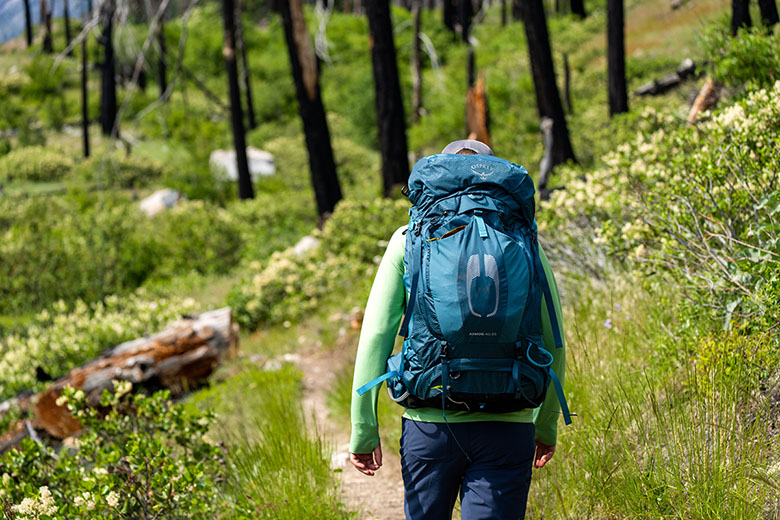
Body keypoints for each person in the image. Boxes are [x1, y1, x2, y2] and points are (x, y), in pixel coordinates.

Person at [349, 140, 566, 520]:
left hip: (430, 424)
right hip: (509, 421)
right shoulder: (524, 240)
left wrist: (363, 430)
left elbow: (375, 336)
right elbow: (554, 340)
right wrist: (545, 425)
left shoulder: (408, 239)